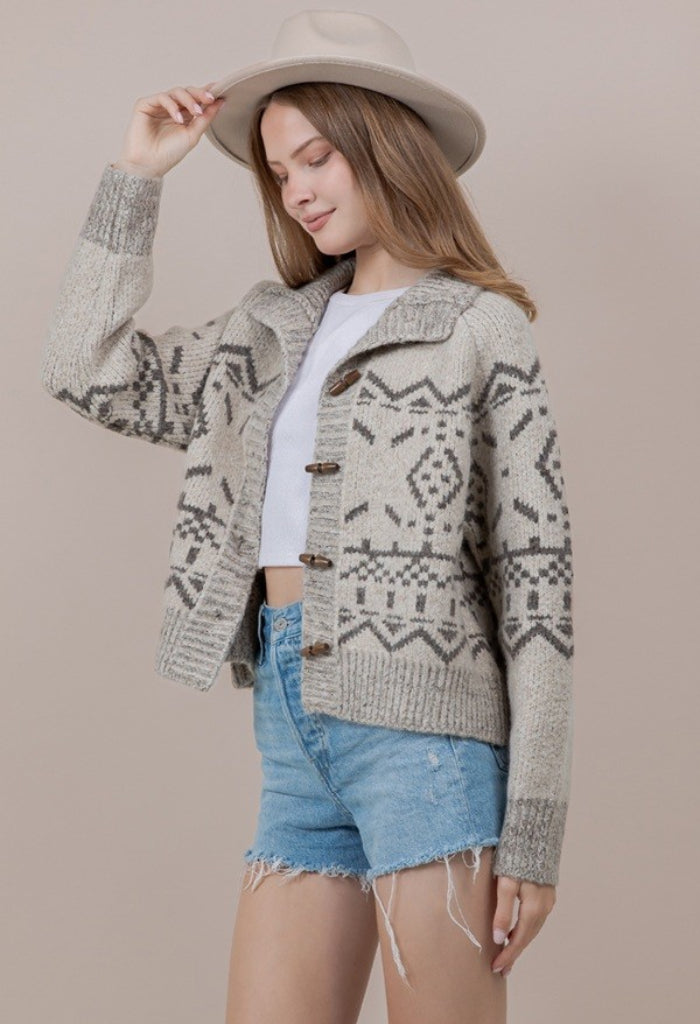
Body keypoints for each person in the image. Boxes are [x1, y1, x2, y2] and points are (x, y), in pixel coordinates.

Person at [40, 10, 574, 1023]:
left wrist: (535, 833)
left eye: (318, 157)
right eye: (280, 172)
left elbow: (537, 591)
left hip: (426, 741)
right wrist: (137, 179)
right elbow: (84, 369)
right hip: (290, 734)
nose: (297, 190)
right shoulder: (267, 329)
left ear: (386, 144)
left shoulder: (480, 329)